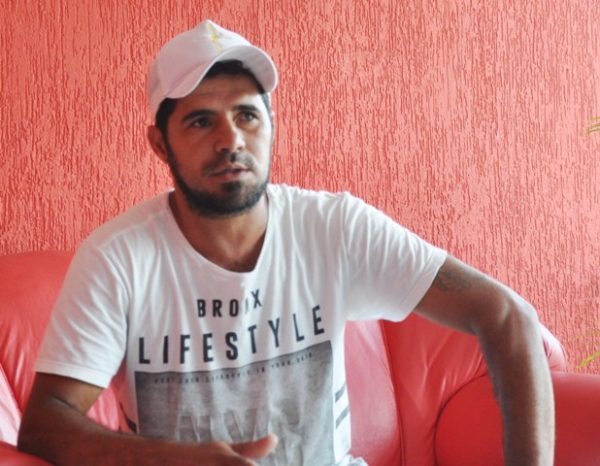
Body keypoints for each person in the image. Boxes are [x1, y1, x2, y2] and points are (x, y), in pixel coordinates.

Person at [17, 20, 554, 466]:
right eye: (201, 121)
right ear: (160, 143)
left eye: (247, 115)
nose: (230, 139)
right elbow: (45, 425)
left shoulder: (335, 227)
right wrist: (170, 459)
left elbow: (506, 315)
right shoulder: (117, 260)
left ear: (271, 124)